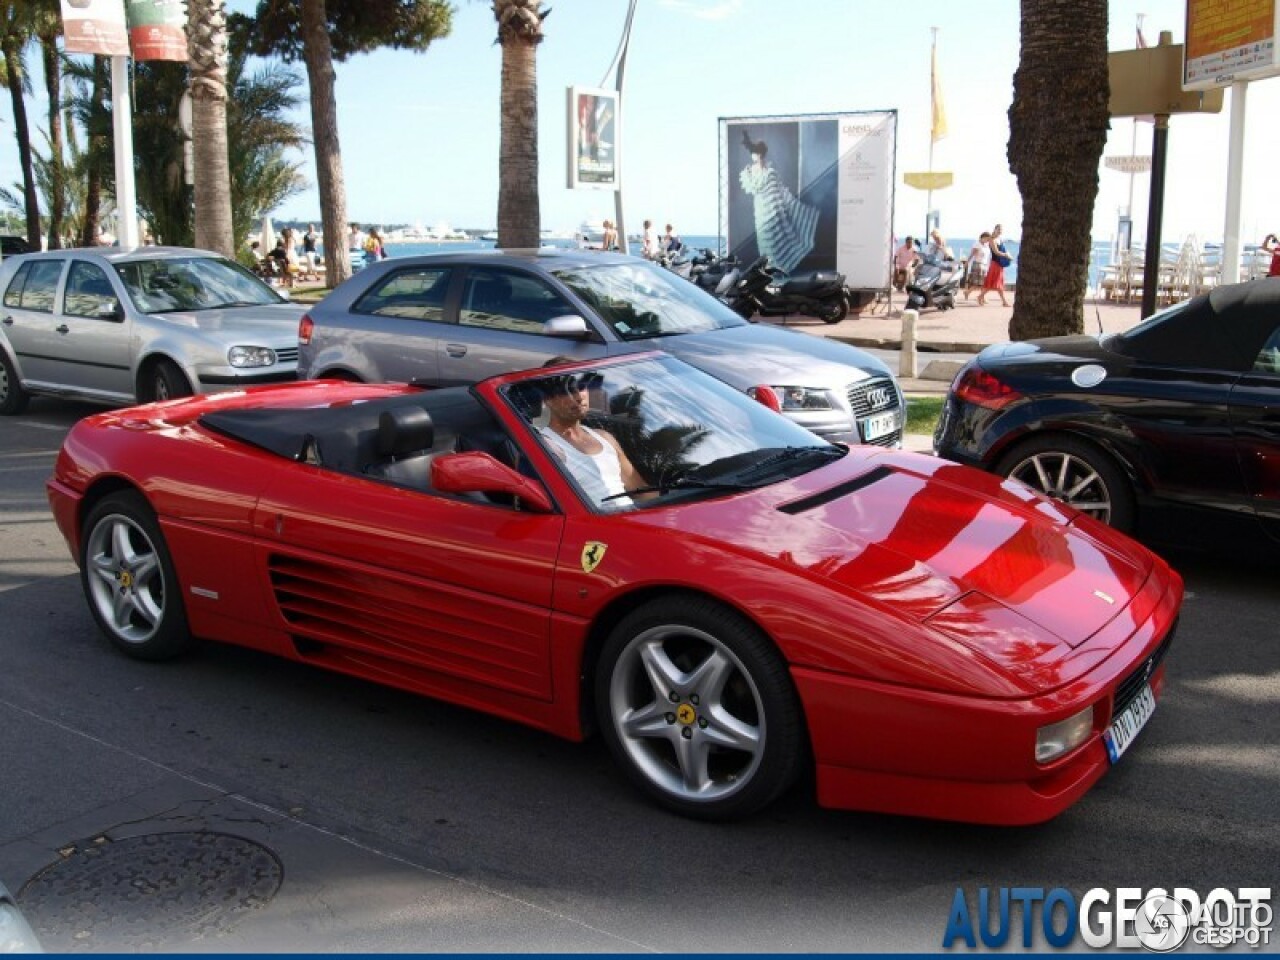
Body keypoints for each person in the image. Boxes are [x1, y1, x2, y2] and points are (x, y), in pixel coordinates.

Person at [533, 360, 649, 512]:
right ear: (548, 400)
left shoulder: (605, 437)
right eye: (566, 391)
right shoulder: (546, 444)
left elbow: (642, 492)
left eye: (581, 387)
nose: (579, 397)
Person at [738, 130, 819, 274]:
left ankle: (774, 268)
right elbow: (755, 188)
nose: (752, 155)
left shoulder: (769, 171)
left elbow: (776, 190)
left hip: (771, 210)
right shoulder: (754, 170)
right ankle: (768, 268)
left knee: (774, 241)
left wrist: (780, 206)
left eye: (754, 152)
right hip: (762, 209)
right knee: (764, 239)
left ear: (759, 154)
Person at [978, 224, 1011, 307]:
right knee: (994, 283)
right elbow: (996, 252)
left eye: (1001, 230)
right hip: (995, 264)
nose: (1000, 231)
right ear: (995, 229)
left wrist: (1006, 254)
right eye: (998, 229)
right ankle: (981, 297)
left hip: (1000, 264)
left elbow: (1001, 251)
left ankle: (1003, 301)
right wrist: (1006, 255)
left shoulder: (999, 239)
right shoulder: (992, 240)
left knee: (997, 283)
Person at [963, 231, 991, 300]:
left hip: (984, 265)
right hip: (978, 265)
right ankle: (968, 293)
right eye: (987, 239)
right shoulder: (977, 244)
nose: (988, 240)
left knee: (983, 283)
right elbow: (972, 254)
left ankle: (980, 297)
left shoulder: (986, 245)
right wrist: (967, 262)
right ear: (983, 237)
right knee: (977, 283)